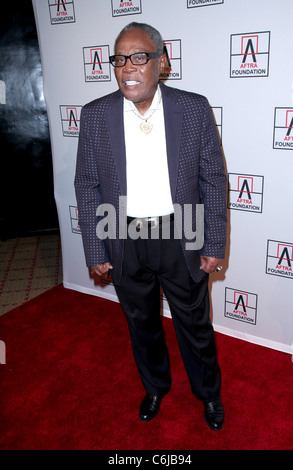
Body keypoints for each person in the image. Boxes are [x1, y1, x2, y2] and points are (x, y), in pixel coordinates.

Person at [74, 22, 227, 431]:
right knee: (141, 322)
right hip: (122, 234)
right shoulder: (95, 115)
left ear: (162, 62)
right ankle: (156, 386)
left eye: (139, 57)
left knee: (194, 323)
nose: (128, 68)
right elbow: (87, 185)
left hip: (184, 229)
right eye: (120, 59)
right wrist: (95, 249)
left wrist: (214, 240)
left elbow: (213, 178)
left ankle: (208, 394)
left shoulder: (193, 108)